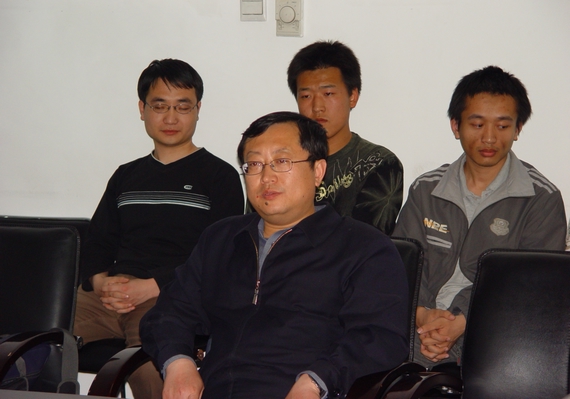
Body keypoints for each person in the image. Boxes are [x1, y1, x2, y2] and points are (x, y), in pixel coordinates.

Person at [140, 112, 409, 399]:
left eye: (282, 162)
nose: (266, 177)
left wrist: (316, 382)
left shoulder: (363, 247)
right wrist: (178, 363)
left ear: (318, 171)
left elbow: (380, 338)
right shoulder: (221, 239)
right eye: (254, 164)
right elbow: (169, 312)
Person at [74, 59, 244, 399]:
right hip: (109, 295)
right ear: (142, 109)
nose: (170, 118)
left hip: (170, 295)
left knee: (153, 360)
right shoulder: (126, 175)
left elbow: (218, 255)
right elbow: (97, 241)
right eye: (160, 106)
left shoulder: (219, 176)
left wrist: (151, 287)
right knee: (37, 337)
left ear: (198, 110)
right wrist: (101, 281)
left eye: (182, 107)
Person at [393, 65, 567, 368]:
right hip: (418, 325)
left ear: (518, 129)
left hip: (493, 333)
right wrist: (422, 316)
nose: (489, 138)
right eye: (477, 124)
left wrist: (459, 321)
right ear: (456, 126)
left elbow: (530, 288)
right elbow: (400, 265)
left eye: (502, 126)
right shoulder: (426, 189)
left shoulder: (541, 198)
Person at [286, 40, 403, 235]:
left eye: (328, 93)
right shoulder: (278, 161)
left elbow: (366, 242)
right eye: (306, 96)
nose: (317, 107)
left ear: (352, 96)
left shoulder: (379, 163)